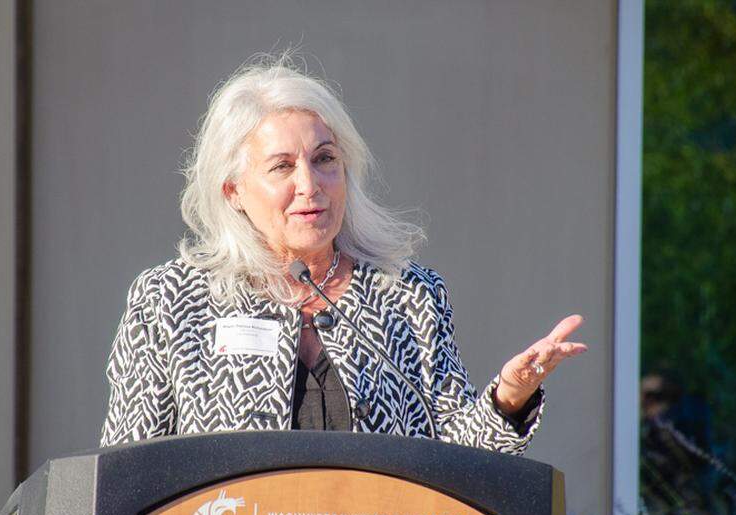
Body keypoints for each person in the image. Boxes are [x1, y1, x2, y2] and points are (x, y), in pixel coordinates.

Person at [100, 56, 586, 453]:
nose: (309, 186)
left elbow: (458, 457)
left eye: (324, 159)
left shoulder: (409, 295)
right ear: (233, 191)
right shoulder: (169, 300)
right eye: (282, 167)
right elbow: (127, 465)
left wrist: (509, 398)